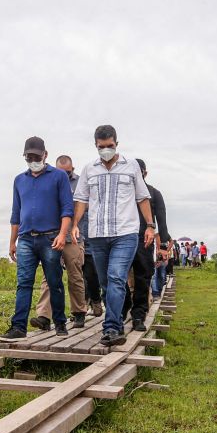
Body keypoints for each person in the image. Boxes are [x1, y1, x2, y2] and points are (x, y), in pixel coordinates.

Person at [72, 124, 154, 346]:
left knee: (117, 277)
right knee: (107, 283)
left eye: (109, 146)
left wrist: (150, 225)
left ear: (116, 143)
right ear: (96, 146)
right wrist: (75, 224)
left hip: (125, 234)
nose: (105, 150)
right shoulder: (90, 169)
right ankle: (117, 317)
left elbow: (142, 198)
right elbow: (81, 199)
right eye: (101, 147)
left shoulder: (131, 167)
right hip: (98, 235)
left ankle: (111, 329)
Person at [0, 136, 74, 342]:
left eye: (36, 156)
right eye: (28, 157)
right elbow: (16, 213)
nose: (33, 160)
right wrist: (12, 241)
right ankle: (18, 327)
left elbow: (67, 209)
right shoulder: (19, 180)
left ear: (45, 155)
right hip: (25, 239)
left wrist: (61, 234)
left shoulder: (59, 177)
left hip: (50, 237)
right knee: (23, 283)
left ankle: (59, 323)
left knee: (54, 281)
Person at [31, 155, 87, 330]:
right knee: (49, 276)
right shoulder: (49, 180)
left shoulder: (80, 183)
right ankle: (44, 316)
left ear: (73, 169)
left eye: (68, 172)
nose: (64, 175)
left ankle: (78, 312)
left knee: (75, 275)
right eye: (61, 172)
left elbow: (84, 206)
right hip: (52, 235)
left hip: (73, 237)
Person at [122, 158, 171, 331]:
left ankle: (139, 314)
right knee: (117, 276)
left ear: (144, 173)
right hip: (121, 239)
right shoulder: (123, 191)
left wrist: (163, 246)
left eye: (139, 171)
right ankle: (125, 304)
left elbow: (162, 221)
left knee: (143, 278)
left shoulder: (154, 193)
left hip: (144, 241)